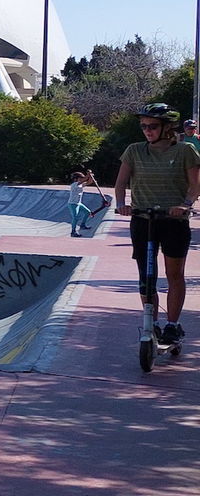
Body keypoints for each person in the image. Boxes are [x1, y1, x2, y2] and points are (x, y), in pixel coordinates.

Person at [113, 102, 200, 345]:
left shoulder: (185, 151)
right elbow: (121, 183)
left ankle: (172, 324)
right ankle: (151, 323)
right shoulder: (134, 150)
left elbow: (195, 185)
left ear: (167, 128)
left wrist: (185, 204)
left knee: (174, 273)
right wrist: (122, 203)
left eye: (152, 126)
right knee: (146, 275)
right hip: (143, 219)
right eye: (143, 126)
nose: (147, 130)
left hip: (173, 219)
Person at [68, 169, 104, 238]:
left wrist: (90, 177)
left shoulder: (81, 185)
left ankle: (82, 225)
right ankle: (73, 232)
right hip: (73, 204)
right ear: (76, 179)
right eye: (80, 178)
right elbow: (83, 180)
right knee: (75, 218)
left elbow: (89, 182)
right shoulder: (74, 185)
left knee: (88, 212)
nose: (81, 179)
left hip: (79, 203)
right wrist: (88, 175)